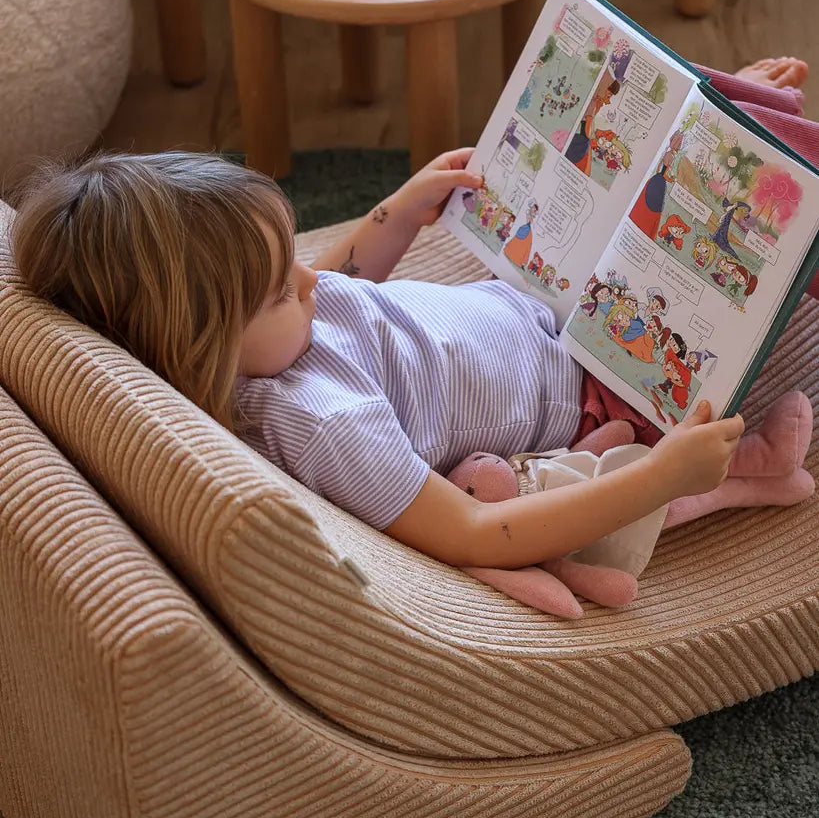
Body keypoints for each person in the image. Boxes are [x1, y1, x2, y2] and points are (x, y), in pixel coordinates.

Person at [9, 61, 816, 576]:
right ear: (198, 349)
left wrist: (394, 213)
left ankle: (714, 121)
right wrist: (657, 477)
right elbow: (473, 532)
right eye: (277, 288)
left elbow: (329, 283)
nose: (307, 278)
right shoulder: (323, 422)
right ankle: (744, 466)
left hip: (539, 301)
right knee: (758, 254)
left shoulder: (265, 339)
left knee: (663, 106)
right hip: (600, 387)